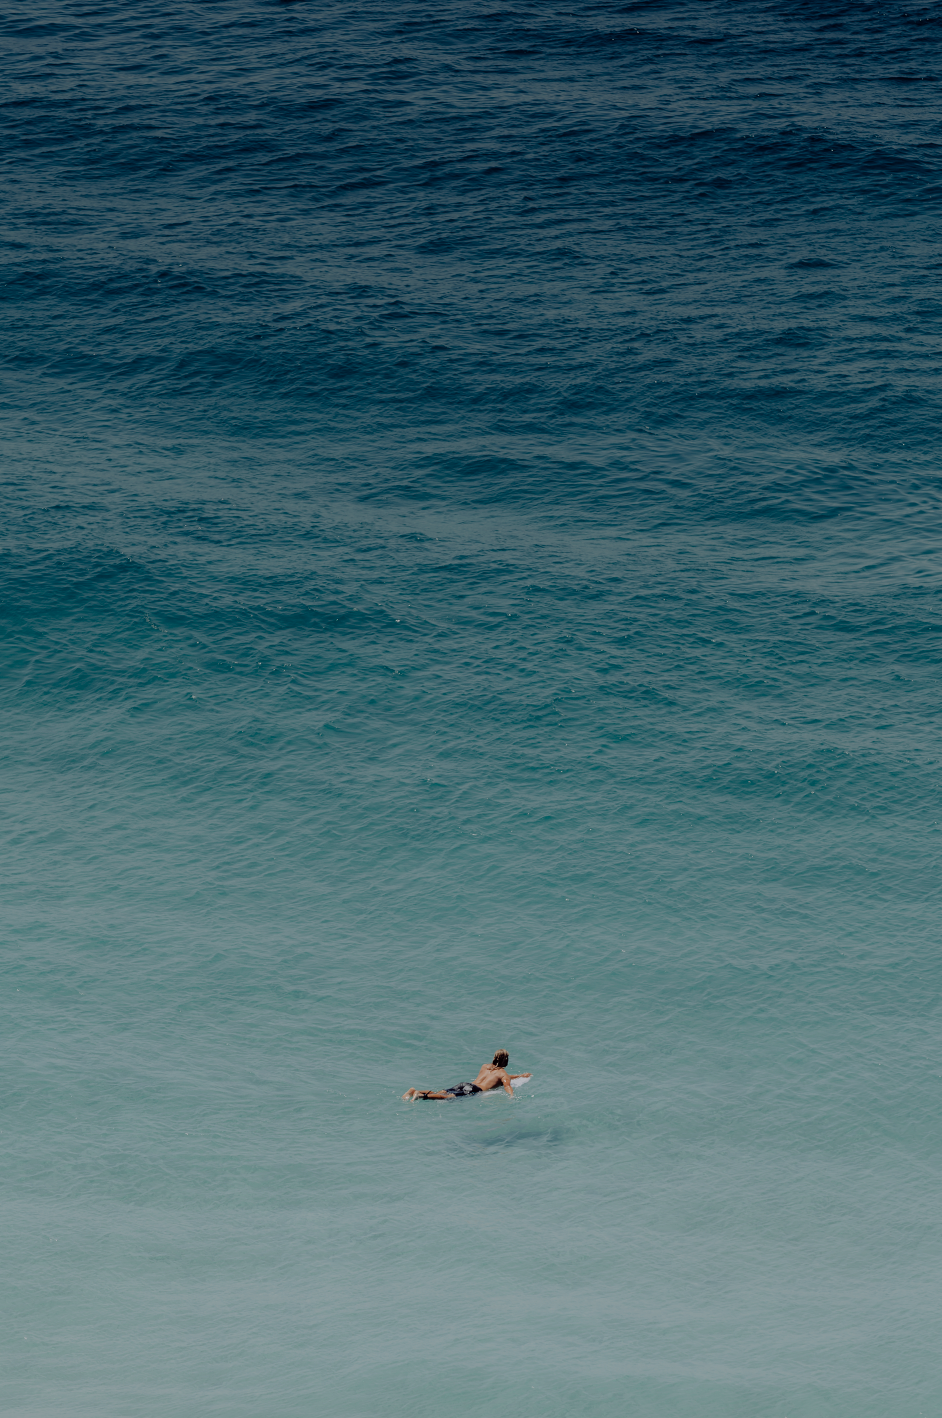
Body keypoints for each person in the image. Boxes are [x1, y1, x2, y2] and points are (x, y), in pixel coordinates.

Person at [402, 1049, 530, 1101]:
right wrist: (511, 1096)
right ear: (506, 1061)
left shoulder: (485, 1066)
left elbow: (498, 1075)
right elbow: (507, 1084)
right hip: (475, 1089)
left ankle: (414, 1090)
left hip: (466, 1084)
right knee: (447, 1097)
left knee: (441, 1091)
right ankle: (420, 1095)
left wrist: (518, 1075)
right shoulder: (503, 1074)